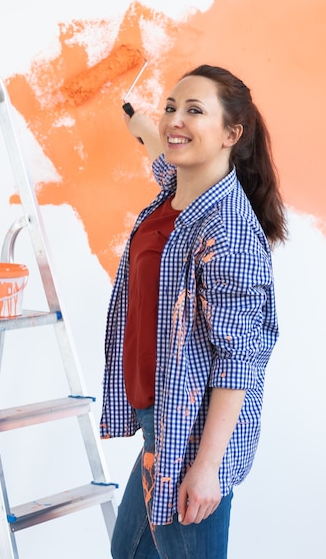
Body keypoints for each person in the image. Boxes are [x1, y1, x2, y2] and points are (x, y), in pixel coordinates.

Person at [100, 64, 287, 559]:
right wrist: (143, 126)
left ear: (231, 133)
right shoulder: (176, 192)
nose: (174, 120)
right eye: (170, 108)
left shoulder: (227, 231)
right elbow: (162, 152)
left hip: (192, 432)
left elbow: (240, 357)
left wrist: (207, 466)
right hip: (158, 425)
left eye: (194, 111)